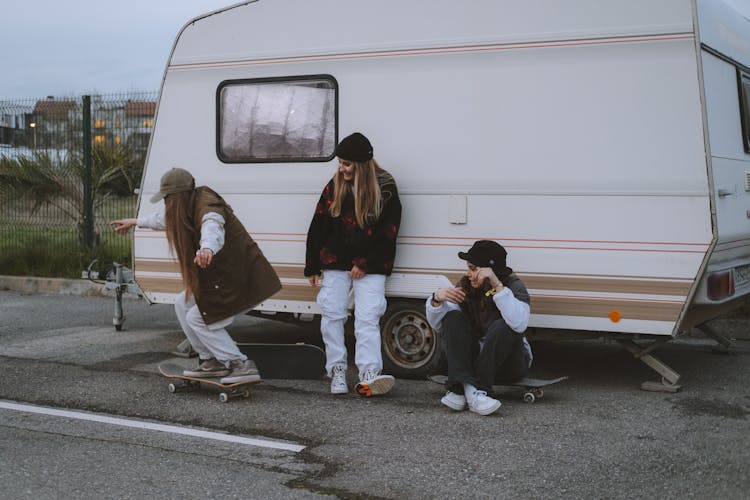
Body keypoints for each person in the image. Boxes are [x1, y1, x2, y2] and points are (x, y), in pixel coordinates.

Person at [112, 167, 281, 383]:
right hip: (225, 277)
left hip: (240, 276)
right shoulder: (188, 206)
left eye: (167, 199)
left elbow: (213, 227)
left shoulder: (207, 205)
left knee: (198, 318)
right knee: (182, 303)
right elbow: (164, 220)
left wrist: (207, 248)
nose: (166, 204)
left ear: (177, 197)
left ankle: (240, 364)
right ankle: (211, 360)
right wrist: (135, 222)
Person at [304, 132, 402, 396]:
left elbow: (388, 231)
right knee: (332, 315)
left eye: (347, 164)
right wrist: (312, 265)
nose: (342, 168)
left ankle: (369, 372)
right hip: (335, 260)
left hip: (371, 263)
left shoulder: (385, 187)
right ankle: (336, 369)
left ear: (361, 163)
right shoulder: (335, 185)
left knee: (368, 317)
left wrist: (365, 262)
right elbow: (318, 225)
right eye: (340, 162)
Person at [426, 240, 532, 416]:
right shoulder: (466, 284)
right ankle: (468, 392)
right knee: (452, 317)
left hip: (510, 364)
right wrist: (437, 300)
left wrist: (497, 285)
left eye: (473, 268)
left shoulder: (513, 286)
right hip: (475, 362)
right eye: (468, 267)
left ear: (489, 270)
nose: (468, 273)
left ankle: (471, 388)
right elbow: (441, 326)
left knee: (504, 325)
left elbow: (519, 324)